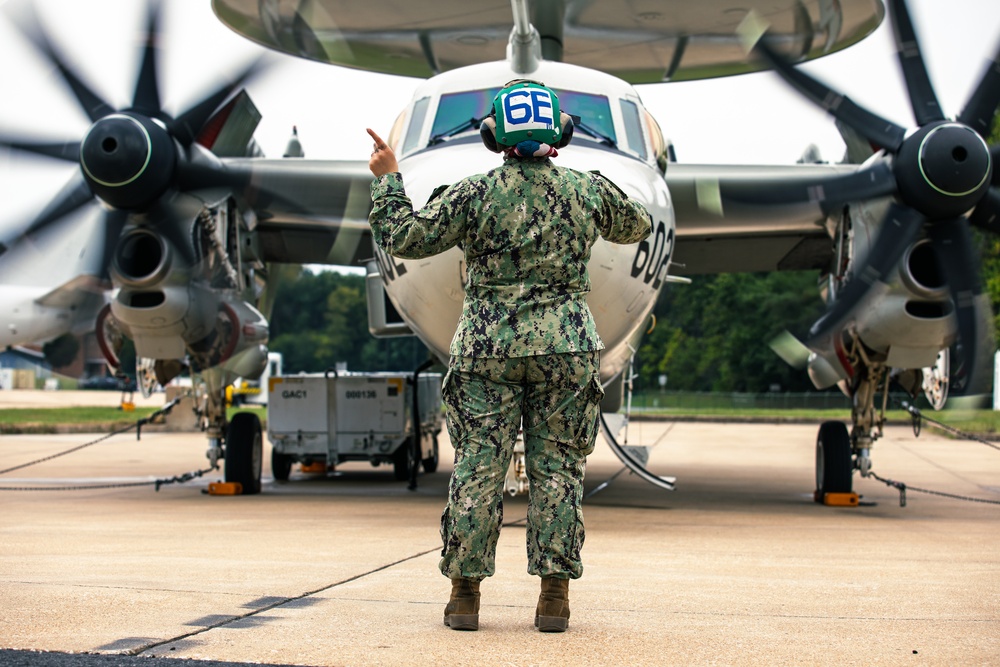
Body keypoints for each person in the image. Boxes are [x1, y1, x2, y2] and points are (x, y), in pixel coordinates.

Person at [366, 79, 651, 632]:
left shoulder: (471, 194)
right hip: (566, 348)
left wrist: (388, 181)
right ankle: (553, 600)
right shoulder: (584, 189)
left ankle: (465, 598)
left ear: (493, 135)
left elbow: (403, 235)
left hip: (486, 351)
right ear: (562, 133)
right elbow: (636, 224)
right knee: (560, 472)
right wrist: (591, 194)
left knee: (477, 470)